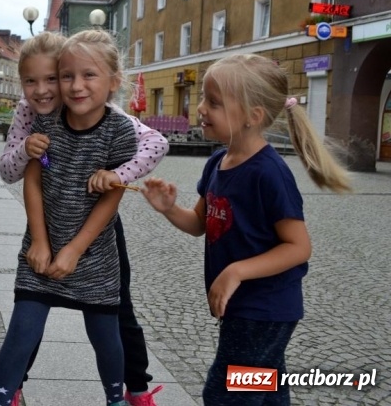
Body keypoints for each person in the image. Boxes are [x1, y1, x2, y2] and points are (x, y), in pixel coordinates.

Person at [140, 53, 351, 405]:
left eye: (215, 102)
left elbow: (298, 247)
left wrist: (236, 271)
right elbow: (199, 225)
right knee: (265, 388)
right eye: (205, 98)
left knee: (227, 393)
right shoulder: (216, 163)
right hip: (245, 307)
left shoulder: (269, 173)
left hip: (265, 309)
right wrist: (168, 209)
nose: (202, 108)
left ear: (253, 116)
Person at [0, 31, 168, 406]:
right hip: (50, 216)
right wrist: (27, 150)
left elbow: (155, 143)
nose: (44, 91)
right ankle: (10, 389)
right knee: (31, 311)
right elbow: (19, 172)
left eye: (51, 79)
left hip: (96, 228)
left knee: (117, 312)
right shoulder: (36, 115)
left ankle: (135, 389)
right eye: (32, 81)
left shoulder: (109, 117)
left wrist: (118, 175)